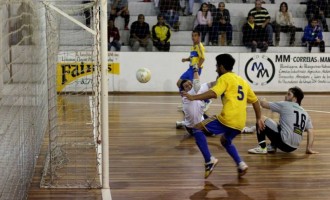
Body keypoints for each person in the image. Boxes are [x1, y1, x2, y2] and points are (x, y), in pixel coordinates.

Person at [182, 53, 265, 178]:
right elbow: (255, 101)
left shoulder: (224, 78)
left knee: (197, 128)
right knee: (225, 141)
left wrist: (193, 97)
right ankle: (241, 164)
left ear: (221, 67)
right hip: (240, 123)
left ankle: (209, 160)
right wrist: (259, 118)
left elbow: (213, 93)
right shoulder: (242, 81)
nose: (216, 69)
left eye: (216, 66)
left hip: (227, 118)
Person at [248, 87, 318, 155]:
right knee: (282, 125)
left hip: (283, 142)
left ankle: (262, 147)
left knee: (261, 118)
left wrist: (262, 98)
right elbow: (311, 131)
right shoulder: (305, 113)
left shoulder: (285, 104)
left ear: (295, 99)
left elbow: (263, 104)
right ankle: (273, 146)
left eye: (289, 94)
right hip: (293, 148)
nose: (286, 95)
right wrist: (309, 148)